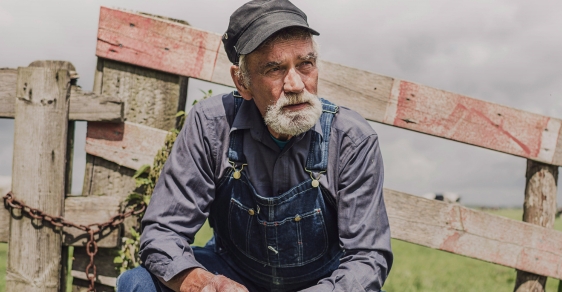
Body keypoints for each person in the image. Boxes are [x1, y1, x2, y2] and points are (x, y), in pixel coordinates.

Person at [116, 0, 393, 291]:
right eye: (275, 69)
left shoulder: (351, 139)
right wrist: (206, 284)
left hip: (320, 284)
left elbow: (368, 257)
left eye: (305, 64)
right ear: (242, 82)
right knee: (137, 283)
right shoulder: (212, 126)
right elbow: (162, 231)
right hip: (233, 274)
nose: (296, 84)